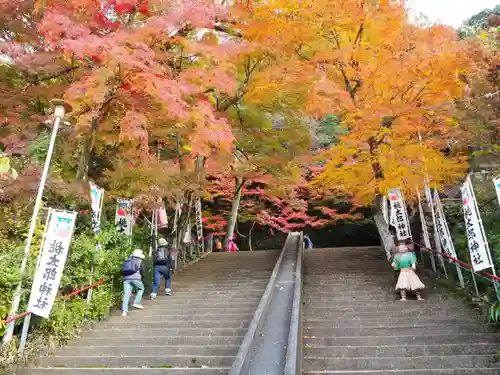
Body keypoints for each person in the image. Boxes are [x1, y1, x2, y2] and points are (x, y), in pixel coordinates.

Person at [121, 248, 146, 316]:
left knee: (126, 294)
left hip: (126, 279)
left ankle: (124, 312)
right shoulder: (140, 261)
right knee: (141, 289)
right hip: (136, 279)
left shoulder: (127, 260)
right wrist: (143, 280)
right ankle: (136, 302)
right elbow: (143, 272)